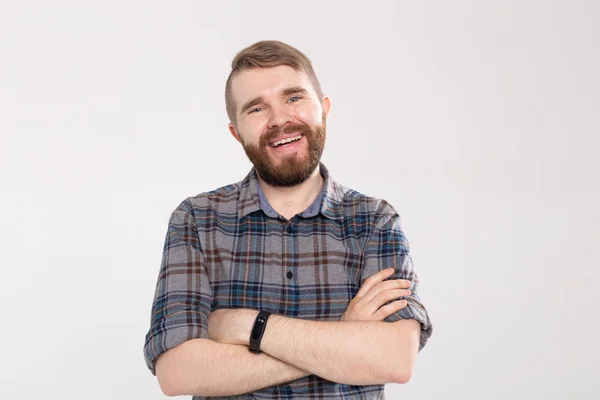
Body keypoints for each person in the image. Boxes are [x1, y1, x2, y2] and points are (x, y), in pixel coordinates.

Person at [143, 40, 433, 399]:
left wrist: (251, 327)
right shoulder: (197, 220)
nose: (279, 119)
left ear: (324, 110)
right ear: (237, 133)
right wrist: (341, 338)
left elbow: (395, 359)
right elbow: (178, 373)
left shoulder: (374, 222)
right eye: (256, 108)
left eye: (294, 98)